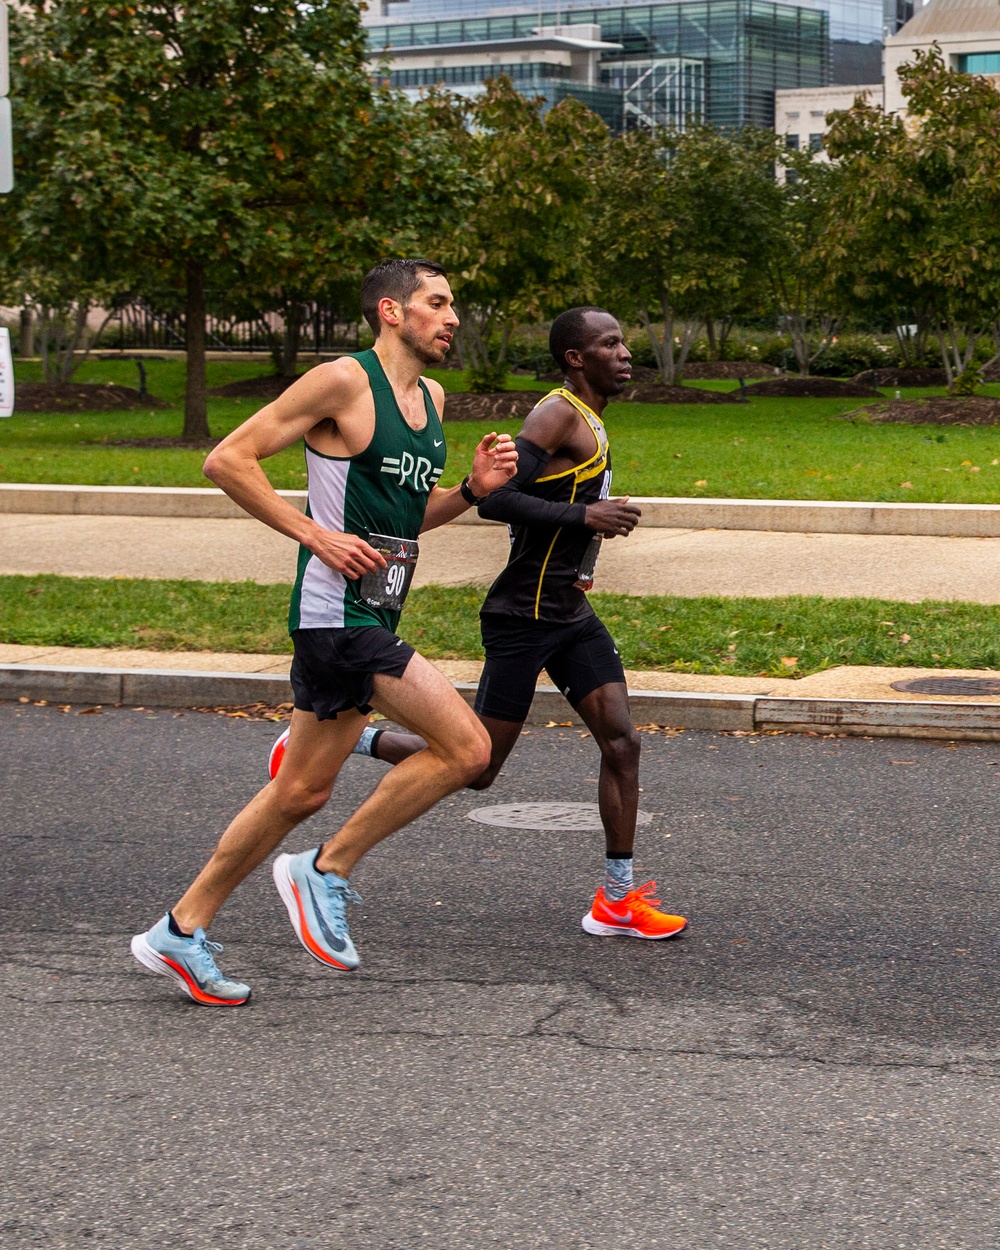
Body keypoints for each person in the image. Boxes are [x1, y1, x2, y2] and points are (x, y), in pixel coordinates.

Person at [130, 259, 517, 1006]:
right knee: (468, 749)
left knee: (300, 790)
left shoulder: (431, 398)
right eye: (437, 303)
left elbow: (408, 518)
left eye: (453, 305)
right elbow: (227, 459)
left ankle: (179, 930)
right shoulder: (343, 381)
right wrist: (316, 535)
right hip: (337, 616)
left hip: (373, 610)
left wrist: (471, 492)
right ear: (391, 310)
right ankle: (325, 870)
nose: (453, 318)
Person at [274, 307, 688, 943]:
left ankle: (617, 899)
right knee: (479, 765)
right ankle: (349, 740)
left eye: (623, 340)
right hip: (521, 617)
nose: (626, 352)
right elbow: (494, 497)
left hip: (568, 614)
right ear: (577, 358)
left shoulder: (595, 419)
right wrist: (583, 520)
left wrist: (583, 562)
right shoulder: (556, 414)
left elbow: (570, 502)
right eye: (610, 343)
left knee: (623, 742)